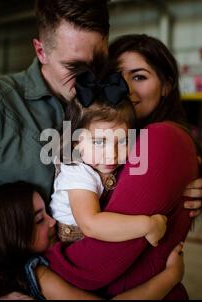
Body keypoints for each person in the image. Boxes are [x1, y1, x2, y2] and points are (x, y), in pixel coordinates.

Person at [0, 0, 202, 299]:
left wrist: (180, 189)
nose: (90, 78)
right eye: (74, 67)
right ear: (40, 51)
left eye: (98, 63)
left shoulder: (111, 106)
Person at [44, 34, 202, 299]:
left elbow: (96, 263)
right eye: (118, 76)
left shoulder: (160, 138)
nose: (127, 88)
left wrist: (40, 273)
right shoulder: (114, 145)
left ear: (166, 85)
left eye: (139, 76)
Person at [0, 181, 185, 300]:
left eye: (48, 212)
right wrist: (171, 276)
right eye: (40, 219)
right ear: (11, 237)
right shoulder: (39, 275)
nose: (53, 223)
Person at [50, 66, 167, 246]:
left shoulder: (109, 162)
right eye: (98, 142)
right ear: (76, 143)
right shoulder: (77, 173)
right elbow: (90, 225)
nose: (112, 154)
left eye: (122, 141)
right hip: (75, 241)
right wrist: (148, 225)